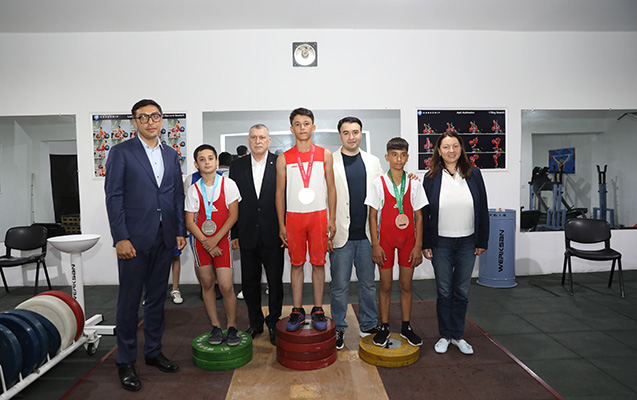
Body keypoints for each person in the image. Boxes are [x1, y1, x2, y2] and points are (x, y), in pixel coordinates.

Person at [105, 99, 185, 392]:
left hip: (164, 237)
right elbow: (113, 196)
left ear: (162, 119)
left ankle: (152, 351)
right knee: (129, 302)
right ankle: (125, 361)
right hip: (134, 240)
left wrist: (179, 231)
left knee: (156, 299)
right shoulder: (121, 152)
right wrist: (120, 237)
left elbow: (176, 195)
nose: (151, 122)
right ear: (135, 121)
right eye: (144, 117)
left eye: (155, 116)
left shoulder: (171, 154)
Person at [422, 131, 489, 355]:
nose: (451, 151)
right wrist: (425, 244)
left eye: (455, 146)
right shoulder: (430, 177)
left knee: (461, 291)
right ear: (439, 151)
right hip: (440, 242)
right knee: (444, 291)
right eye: (446, 147)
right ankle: (445, 335)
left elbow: (482, 208)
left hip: (468, 242)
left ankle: (458, 335)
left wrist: (482, 240)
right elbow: (425, 214)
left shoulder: (474, 174)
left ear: (461, 149)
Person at [276, 107, 336, 332]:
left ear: (313, 127)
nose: (302, 127)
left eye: (306, 123)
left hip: (319, 216)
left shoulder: (325, 154)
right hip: (294, 218)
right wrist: (281, 224)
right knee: (296, 263)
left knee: (319, 263)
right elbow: (279, 193)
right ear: (292, 129)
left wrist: (332, 218)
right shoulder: (284, 158)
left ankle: (318, 308)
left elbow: (332, 188)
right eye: (298, 124)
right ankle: (297, 309)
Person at [366, 137, 427, 347]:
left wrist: (418, 245)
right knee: (385, 285)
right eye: (394, 155)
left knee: (406, 285)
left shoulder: (414, 183)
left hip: (408, 242)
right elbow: (372, 216)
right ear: (387, 157)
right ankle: (383, 325)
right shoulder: (378, 183)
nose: (398, 159)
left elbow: (419, 217)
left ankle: (406, 326)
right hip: (385, 242)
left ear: (407, 157)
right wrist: (375, 244)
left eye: (402, 155)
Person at [329, 117, 382, 350]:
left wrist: (408, 177)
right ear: (340, 135)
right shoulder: (330, 161)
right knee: (339, 286)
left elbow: (385, 189)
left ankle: (368, 325)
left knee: (368, 285)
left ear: (361, 134)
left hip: (367, 236)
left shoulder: (373, 161)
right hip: (341, 236)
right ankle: (338, 328)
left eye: (355, 132)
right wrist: (326, 234)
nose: (351, 137)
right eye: (346, 132)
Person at [230, 124, 284, 345]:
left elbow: (285, 198)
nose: (258, 141)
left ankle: (273, 322)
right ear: (249, 141)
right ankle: (255, 322)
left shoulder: (280, 163)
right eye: (254, 137)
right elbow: (233, 201)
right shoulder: (237, 166)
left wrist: (285, 229)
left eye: (262, 137)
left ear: (269, 141)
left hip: (274, 233)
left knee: (275, 282)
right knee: (249, 283)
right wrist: (234, 233)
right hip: (247, 233)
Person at [185, 144, 241, 346]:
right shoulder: (193, 189)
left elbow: (233, 216)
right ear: (196, 164)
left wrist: (215, 240)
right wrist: (207, 243)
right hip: (201, 243)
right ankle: (216, 326)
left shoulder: (228, 184)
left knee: (226, 285)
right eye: (202, 159)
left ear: (217, 161)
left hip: (222, 241)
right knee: (207, 283)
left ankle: (232, 325)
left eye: (210, 158)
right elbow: (190, 222)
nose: (207, 162)